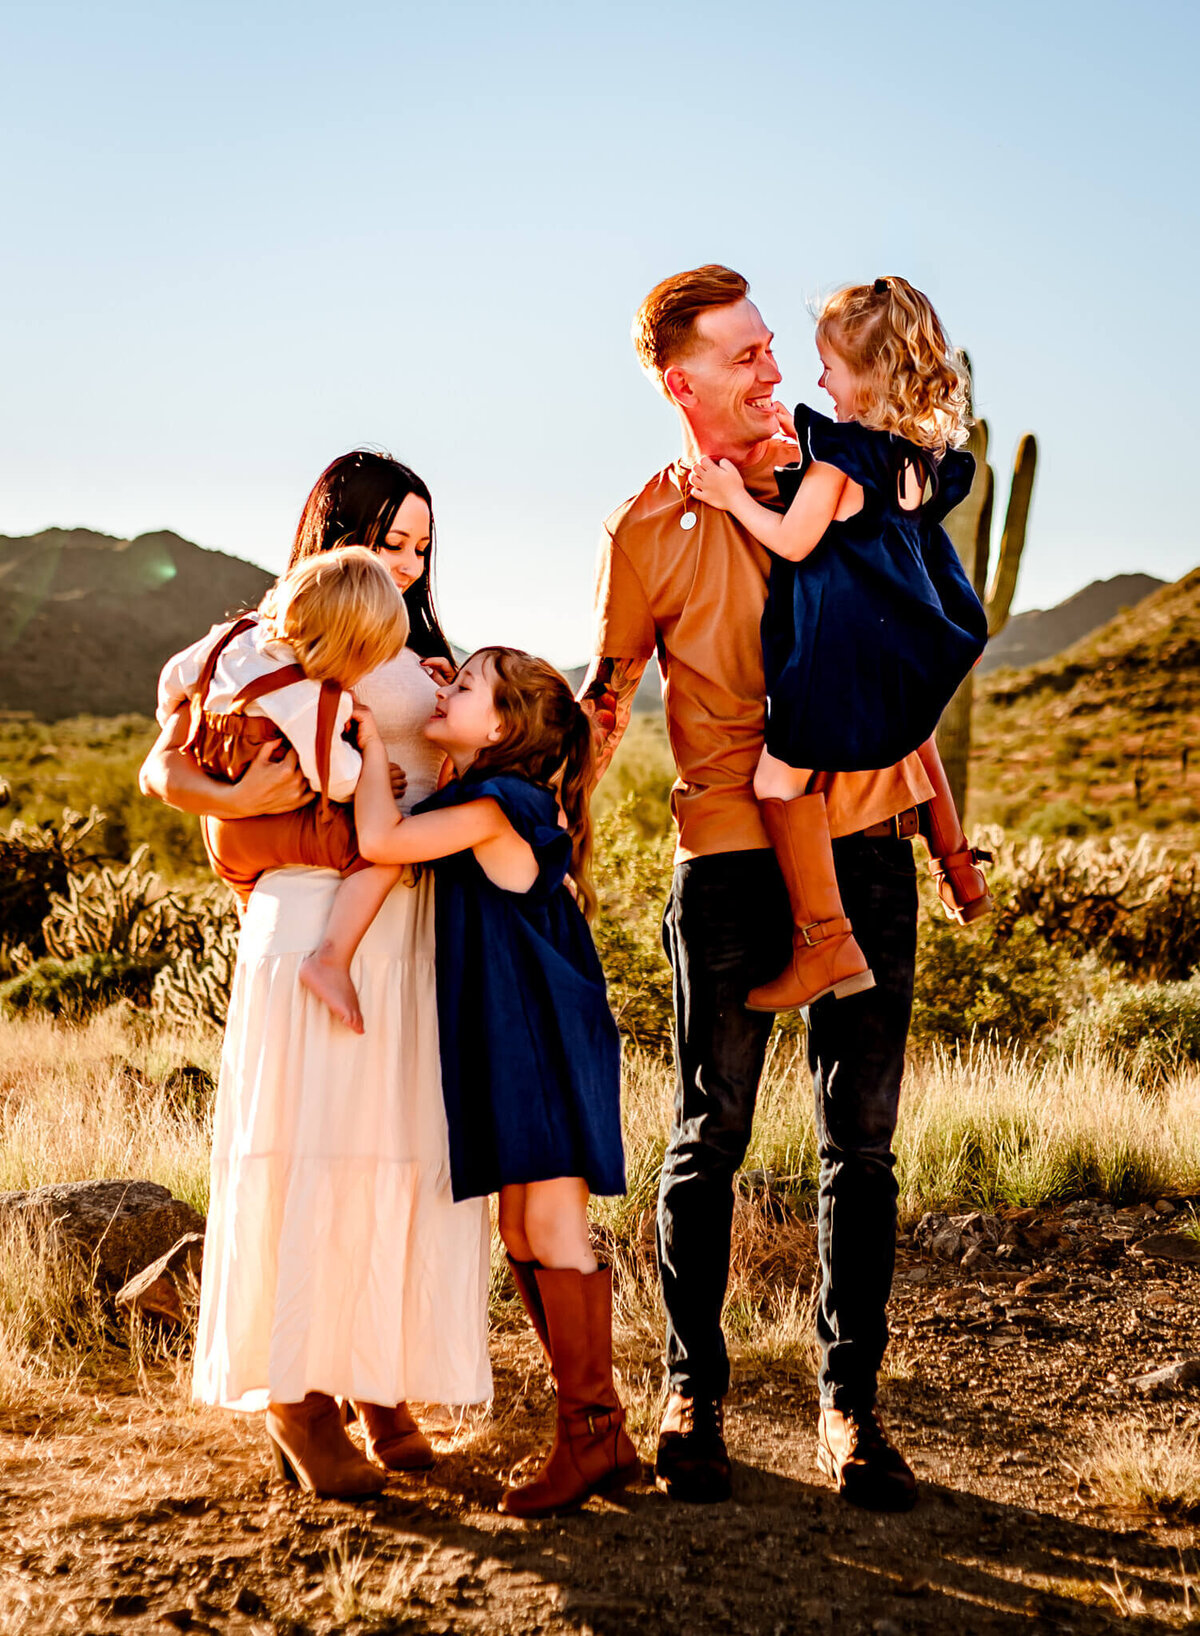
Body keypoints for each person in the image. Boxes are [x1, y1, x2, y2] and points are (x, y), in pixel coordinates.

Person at [581, 265, 988, 1512]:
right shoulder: (646, 529)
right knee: (711, 1133)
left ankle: (849, 1405)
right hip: (723, 857)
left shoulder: (853, 486)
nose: (773, 375)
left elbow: (901, 656)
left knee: (861, 1144)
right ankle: (692, 1388)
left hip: (865, 846)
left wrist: (943, 835)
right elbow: (607, 700)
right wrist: (556, 824)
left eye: (774, 350)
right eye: (746, 357)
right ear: (680, 381)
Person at [140, 451, 491, 1498]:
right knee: (308, 1147)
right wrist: (238, 803)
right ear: (335, 534)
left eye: (423, 546)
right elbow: (166, 763)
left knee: (389, 1153)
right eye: (390, 540)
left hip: (404, 921)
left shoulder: (426, 655)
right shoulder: (285, 638)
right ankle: (295, 1390)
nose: (409, 564)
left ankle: (375, 1368)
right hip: (307, 912)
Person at [352, 646, 636, 1518]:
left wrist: (369, 741)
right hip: (515, 1032)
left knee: (548, 1223)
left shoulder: (500, 804)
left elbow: (382, 840)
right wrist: (443, 736)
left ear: (505, 727)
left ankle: (591, 1433)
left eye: (466, 685)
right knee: (520, 1222)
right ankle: (601, 1430)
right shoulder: (487, 794)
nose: (447, 688)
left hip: (540, 1036)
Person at [688, 276, 991, 1011]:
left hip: (832, 666)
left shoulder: (840, 459)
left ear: (869, 375)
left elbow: (795, 544)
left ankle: (824, 941)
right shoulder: (916, 459)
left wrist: (730, 496)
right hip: (894, 653)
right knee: (908, 739)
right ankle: (962, 872)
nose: (817, 376)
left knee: (774, 782)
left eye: (830, 365)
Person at [156, 545, 410, 1033]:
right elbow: (332, 779)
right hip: (277, 827)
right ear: (345, 646)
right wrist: (372, 773)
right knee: (383, 855)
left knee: (255, 916)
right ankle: (331, 961)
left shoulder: (228, 640)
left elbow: (173, 679)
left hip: (223, 836)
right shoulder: (308, 696)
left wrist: (176, 716)